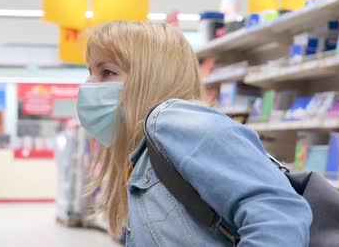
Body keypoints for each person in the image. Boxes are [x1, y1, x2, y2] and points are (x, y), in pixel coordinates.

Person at [76, 21, 312, 246]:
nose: (89, 83)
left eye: (107, 72)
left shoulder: (172, 123)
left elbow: (279, 215)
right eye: (90, 71)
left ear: (151, 76)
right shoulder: (146, 152)